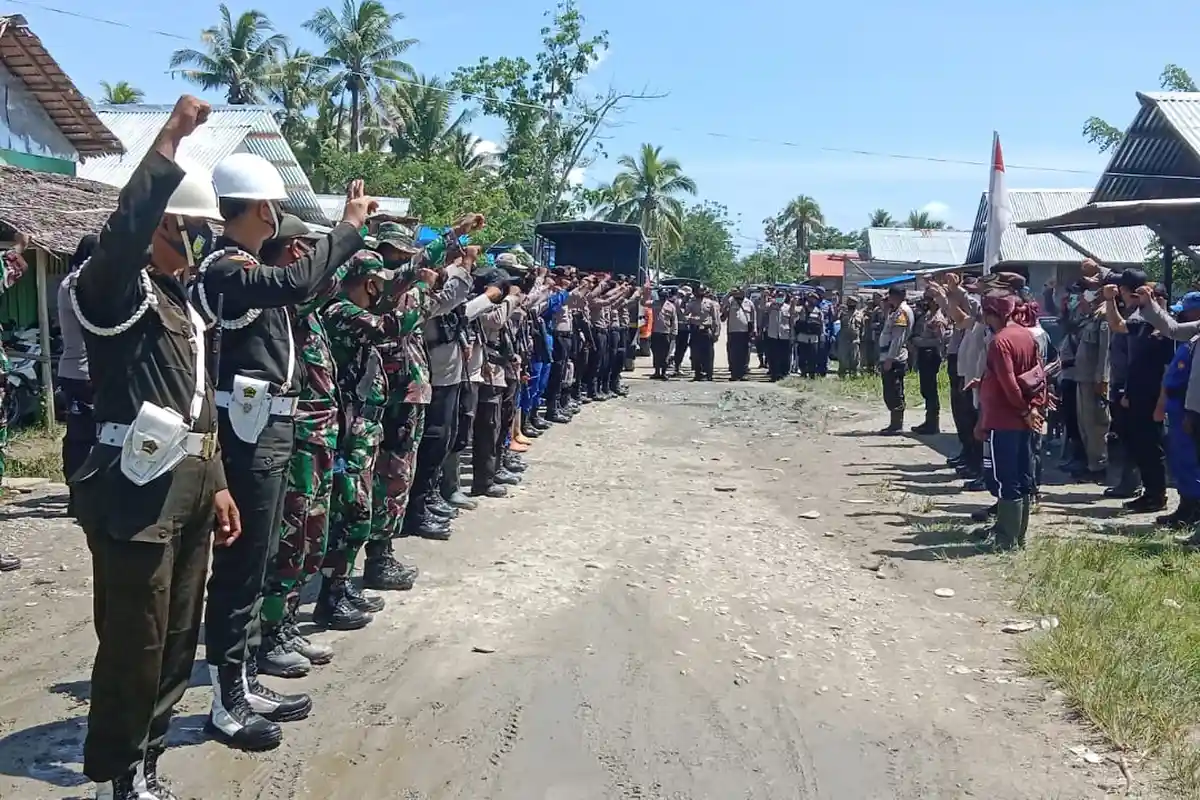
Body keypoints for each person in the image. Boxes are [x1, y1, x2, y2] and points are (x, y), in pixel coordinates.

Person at [68, 95, 241, 798]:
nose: (202, 243)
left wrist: (221, 480)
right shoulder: (113, 290)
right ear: (167, 225)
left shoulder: (183, 305)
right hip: (137, 491)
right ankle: (118, 772)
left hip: (191, 482)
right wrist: (169, 141)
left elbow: (200, 408)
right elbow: (119, 236)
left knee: (176, 636)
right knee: (135, 642)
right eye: (195, 230)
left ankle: (148, 761)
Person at [194, 154, 370, 750]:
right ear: (262, 208)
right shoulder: (223, 267)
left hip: (269, 428)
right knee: (241, 568)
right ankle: (226, 699)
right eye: (273, 206)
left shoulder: (245, 266)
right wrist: (346, 227)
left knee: (263, 559)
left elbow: (303, 284)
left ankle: (241, 677)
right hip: (247, 434)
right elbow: (295, 281)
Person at [256, 214, 338, 679]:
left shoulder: (303, 306)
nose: (310, 254)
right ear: (289, 250)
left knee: (308, 538)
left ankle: (284, 623)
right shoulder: (285, 301)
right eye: (304, 247)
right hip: (296, 438)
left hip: (316, 439)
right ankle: (269, 635)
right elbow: (326, 278)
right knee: (287, 541)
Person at [1132, 286, 1200, 530]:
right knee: (1182, 460)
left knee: (1191, 462)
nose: (1182, 316)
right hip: (1184, 406)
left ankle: (1193, 512)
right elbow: (1171, 329)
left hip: (1191, 407)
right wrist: (1149, 304)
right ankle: (1187, 507)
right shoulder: (1194, 333)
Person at [1103, 274, 1172, 511]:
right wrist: (1110, 301)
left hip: (1154, 396)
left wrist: (1162, 401)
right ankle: (1150, 492)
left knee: (1152, 447)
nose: (1140, 300)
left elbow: (1167, 369)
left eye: (1146, 296)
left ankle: (1157, 496)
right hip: (1137, 394)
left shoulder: (1166, 328)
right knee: (1139, 445)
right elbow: (1117, 325)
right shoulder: (1141, 322)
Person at [977, 293, 1041, 550]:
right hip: (1023, 419)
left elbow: (1009, 383)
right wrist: (1033, 409)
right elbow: (1038, 376)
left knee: (1006, 478)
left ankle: (1006, 539)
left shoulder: (999, 342)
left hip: (1005, 418)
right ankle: (1018, 537)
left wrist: (1024, 410)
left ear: (992, 313)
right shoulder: (1027, 335)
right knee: (1023, 476)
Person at [57, 234, 96, 521]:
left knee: (77, 437)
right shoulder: (80, 284)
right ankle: (82, 498)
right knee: (88, 438)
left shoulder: (67, 282)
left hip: (71, 371)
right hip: (86, 373)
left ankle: (77, 496)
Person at [1072, 288, 1111, 481]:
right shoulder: (1091, 316)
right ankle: (1091, 463)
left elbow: (1105, 351)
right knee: (1085, 424)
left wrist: (1102, 378)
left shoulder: (1104, 317)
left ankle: (1099, 466)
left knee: (1096, 424)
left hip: (1094, 380)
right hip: (1083, 377)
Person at [910, 291, 948, 434]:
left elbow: (940, 340)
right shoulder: (928, 316)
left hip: (931, 354)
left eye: (928, 299)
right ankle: (928, 420)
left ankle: (933, 423)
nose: (925, 302)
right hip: (924, 354)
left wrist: (920, 342)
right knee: (925, 388)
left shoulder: (938, 319)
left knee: (930, 389)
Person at [878, 286, 914, 434]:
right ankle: (894, 423)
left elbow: (898, 339)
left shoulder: (902, 312)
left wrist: (890, 358)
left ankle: (897, 425)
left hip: (894, 357)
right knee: (890, 389)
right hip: (889, 355)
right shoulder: (895, 311)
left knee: (894, 390)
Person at [722, 286, 755, 381]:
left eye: (741, 291)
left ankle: (743, 373)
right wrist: (729, 294)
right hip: (733, 331)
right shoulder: (730, 301)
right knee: (733, 353)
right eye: (738, 291)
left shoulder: (749, 303)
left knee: (745, 353)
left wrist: (754, 330)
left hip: (745, 332)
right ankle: (734, 374)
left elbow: (753, 316)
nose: (740, 293)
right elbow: (723, 304)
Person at [649, 285, 679, 379]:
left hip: (666, 332)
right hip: (655, 332)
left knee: (665, 354)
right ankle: (657, 372)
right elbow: (642, 303)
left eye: (665, 296)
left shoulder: (671, 306)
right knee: (655, 353)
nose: (663, 298)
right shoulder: (654, 303)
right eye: (661, 295)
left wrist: (674, 332)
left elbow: (674, 320)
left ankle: (663, 373)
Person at [836, 297, 863, 376]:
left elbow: (862, 327)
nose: (850, 305)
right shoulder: (843, 313)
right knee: (843, 359)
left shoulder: (860, 314)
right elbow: (835, 318)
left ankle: (853, 375)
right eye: (849, 303)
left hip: (854, 340)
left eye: (853, 303)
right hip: (844, 339)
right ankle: (842, 375)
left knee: (854, 359)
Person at [672, 285, 693, 375]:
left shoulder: (686, 302)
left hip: (685, 329)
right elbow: (684, 315)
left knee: (682, 348)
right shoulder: (679, 302)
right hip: (680, 329)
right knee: (679, 349)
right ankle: (677, 367)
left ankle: (677, 366)